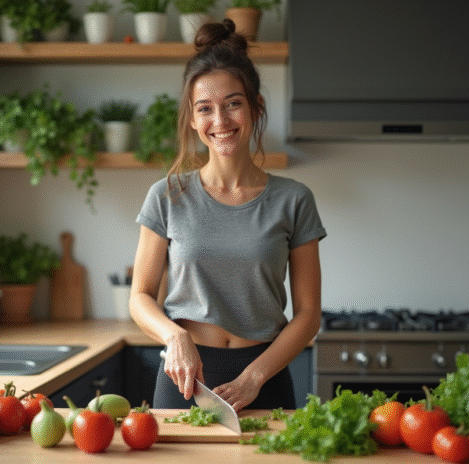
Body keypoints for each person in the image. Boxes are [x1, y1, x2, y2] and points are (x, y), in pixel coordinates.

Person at [130, 19, 326, 412]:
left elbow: (308, 314)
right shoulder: (167, 196)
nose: (219, 122)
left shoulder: (294, 199)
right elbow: (140, 297)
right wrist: (174, 337)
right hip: (185, 378)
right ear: (191, 118)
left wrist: (254, 377)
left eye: (233, 103)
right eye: (205, 109)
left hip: (264, 377)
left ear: (255, 107)